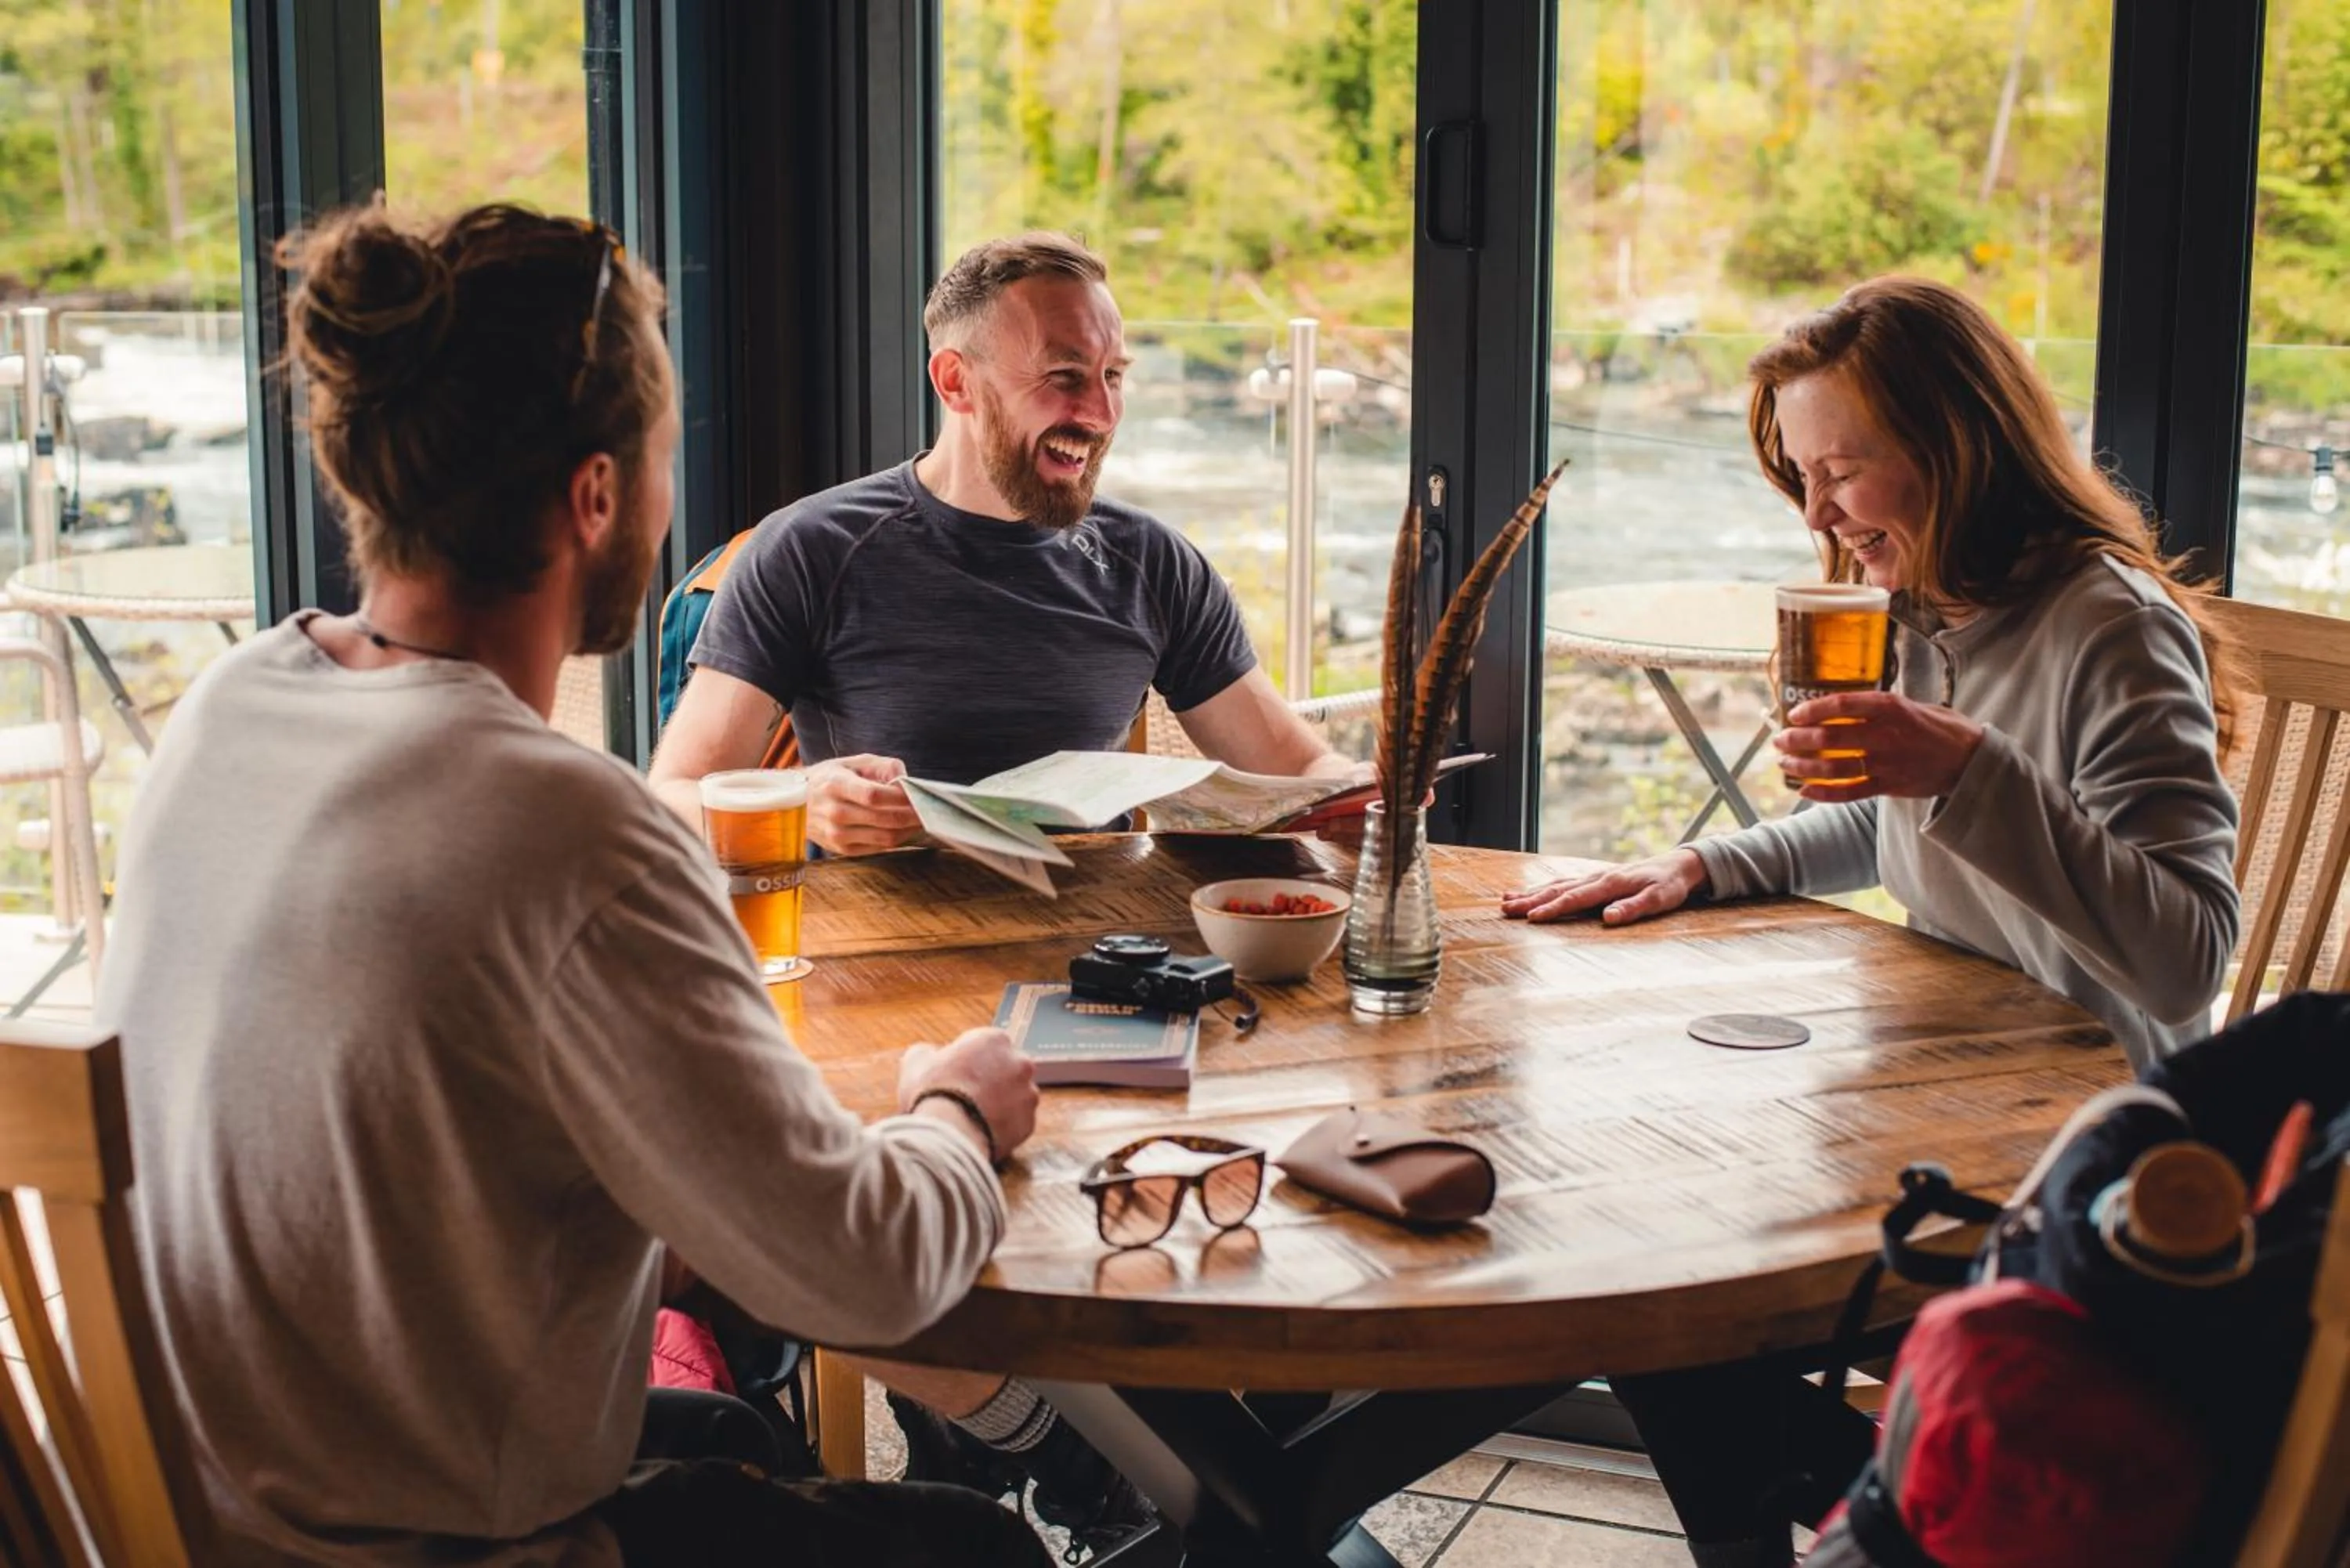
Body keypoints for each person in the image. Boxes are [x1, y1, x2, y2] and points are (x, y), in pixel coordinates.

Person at [95, 201, 1053, 1568]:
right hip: (422, 1544)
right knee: (978, 1552)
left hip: (204, 1503)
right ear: (598, 495)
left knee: (737, 1445)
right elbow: (866, 1269)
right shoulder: (569, 829)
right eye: (667, 459)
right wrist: (961, 1102)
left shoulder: (235, 701)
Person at [1500, 276, 2243, 1566]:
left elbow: (2189, 954)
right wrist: (1703, 863)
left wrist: (1964, 767)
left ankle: (1924, 1506)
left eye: (1847, 468)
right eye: (1800, 473)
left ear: (1959, 446)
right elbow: (1893, 823)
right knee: (1661, 1271)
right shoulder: (1927, 608)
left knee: (1675, 1305)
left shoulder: (2111, 628)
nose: (1822, 512)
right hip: (1939, 1094)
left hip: (2077, 1162)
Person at [646, 229, 1351, 1543]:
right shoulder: (815, 550)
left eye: (1114, 377)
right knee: (826, 1225)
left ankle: (1196, 1462)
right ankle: (1074, 1458)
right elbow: (667, 799)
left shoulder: (1150, 562)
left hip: (1106, 991)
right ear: (956, 383)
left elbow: (1292, 766)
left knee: (1307, 1161)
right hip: (882, 1007)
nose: (1097, 411)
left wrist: (1372, 797)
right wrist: (807, 800)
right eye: (1064, 378)